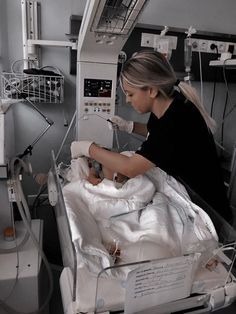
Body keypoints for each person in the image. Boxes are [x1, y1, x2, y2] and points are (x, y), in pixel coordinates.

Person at [71, 50, 233, 223]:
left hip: (209, 213)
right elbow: (156, 134)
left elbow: (131, 167)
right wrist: (129, 126)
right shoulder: (170, 104)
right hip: (191, 193)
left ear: (152, 91)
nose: (127, 100)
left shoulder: (176, 120)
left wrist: (87, 148)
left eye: (130, 94)